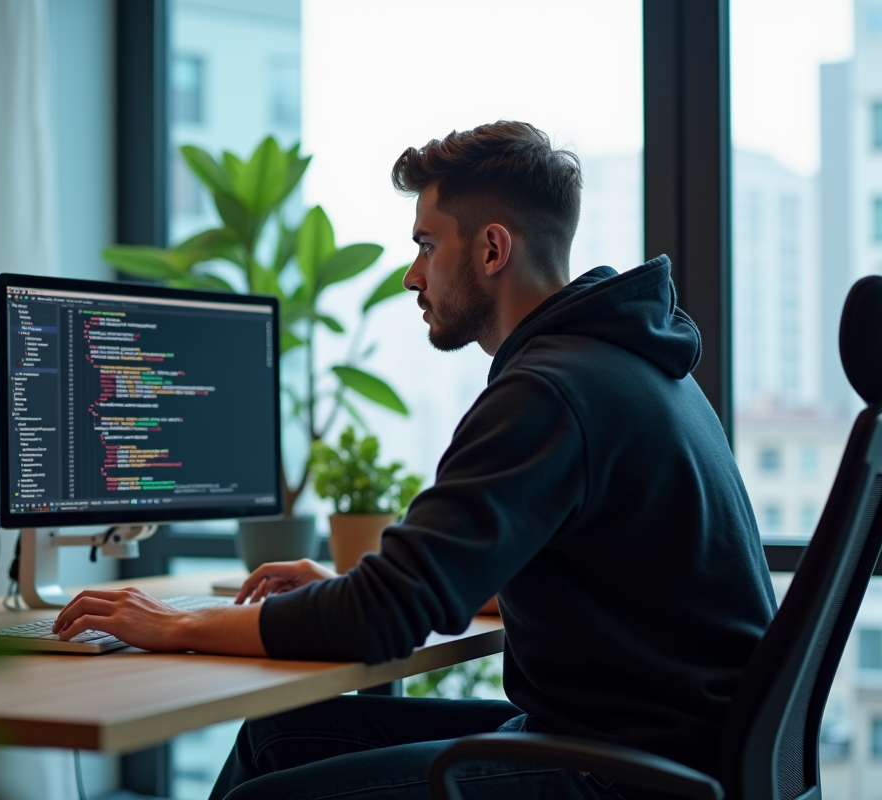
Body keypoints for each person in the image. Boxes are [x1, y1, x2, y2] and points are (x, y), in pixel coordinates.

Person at [51, 121, 777, 800]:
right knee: (279, 737)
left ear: (492, 250)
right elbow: (548, 581)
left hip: (632, 775)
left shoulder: (550, 391)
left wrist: (178, 625)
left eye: (427, 246)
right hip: (659, 750)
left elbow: (381, 620)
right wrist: (356, 589)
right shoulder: (627, 362)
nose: (411, 275)